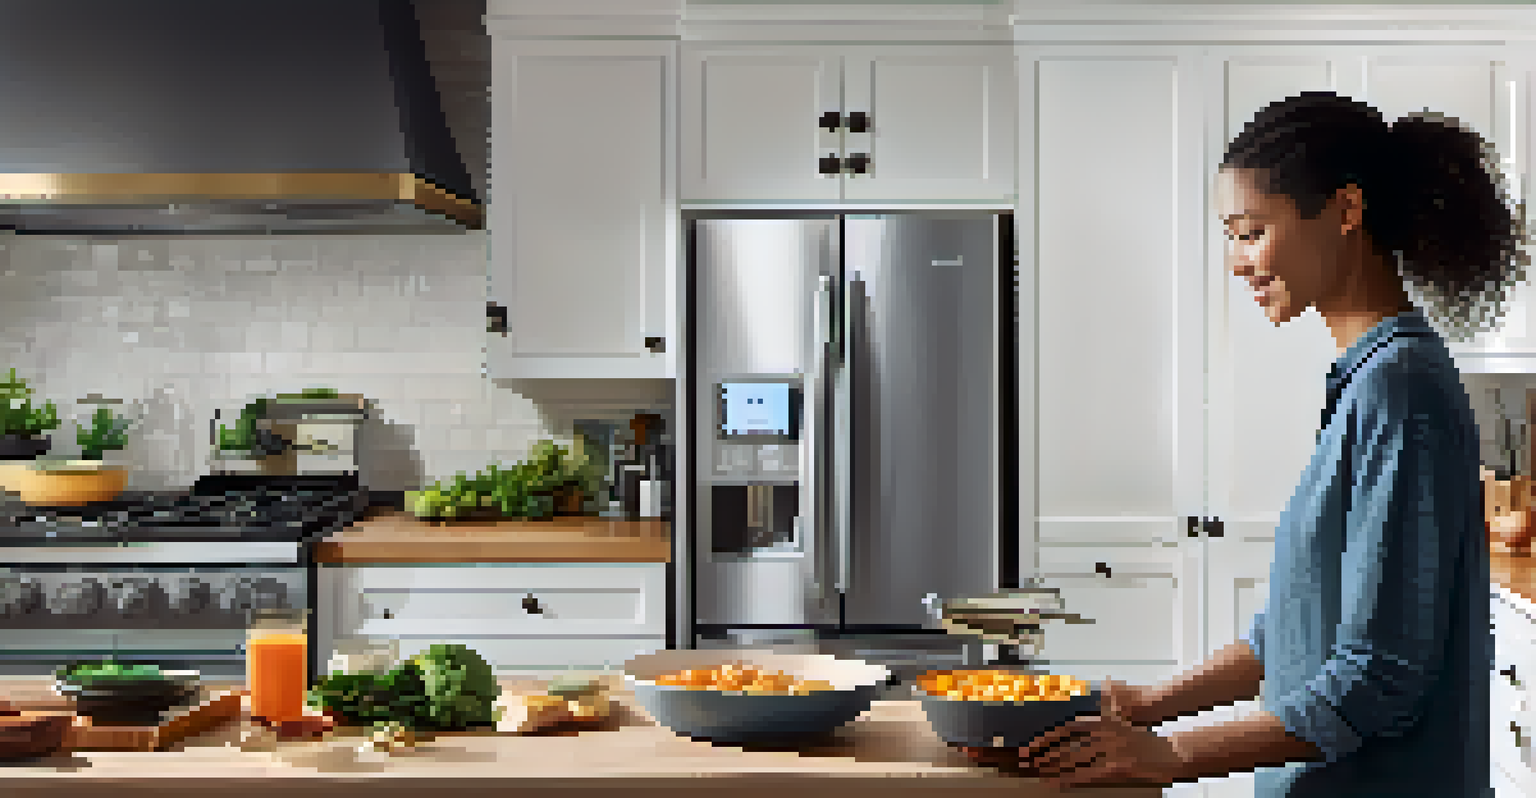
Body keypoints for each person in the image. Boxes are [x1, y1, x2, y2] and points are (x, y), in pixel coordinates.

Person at [1005, 91, 1524, 795]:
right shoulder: (1369, 379)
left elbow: (1378, 677)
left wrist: (1171, 754)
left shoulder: (1401, 391)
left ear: (1345, 210)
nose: (1236, 260)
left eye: (1250, 232)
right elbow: (1292, 632)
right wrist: (1146, 705)